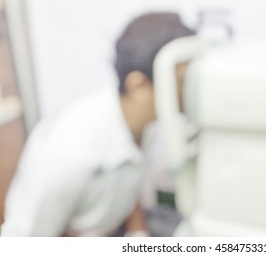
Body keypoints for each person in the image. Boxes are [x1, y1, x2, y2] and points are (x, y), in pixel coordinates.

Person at [0, 12, 195, 236]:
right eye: (180, 82)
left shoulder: (146, 121)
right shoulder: (71, 155)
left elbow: (129, 186)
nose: (188, 91)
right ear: (139, 85)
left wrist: (139, 235)